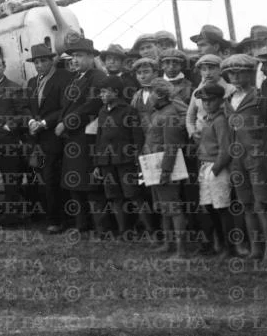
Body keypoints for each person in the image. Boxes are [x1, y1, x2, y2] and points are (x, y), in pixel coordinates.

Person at [222, 53, 267, 264]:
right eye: (231, 73)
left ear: (250, 73)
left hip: (257, 157)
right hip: (236, 158)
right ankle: (255, 249)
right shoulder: (227, 99)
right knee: (246, 204)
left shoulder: (260, 96)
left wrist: (263, 149)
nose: (235, 77)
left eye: (240, 72)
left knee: (262, 204)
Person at [56, 38, 108, 236]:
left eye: (79, 56)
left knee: (92, 186)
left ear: (90, 57)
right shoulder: (75, 78)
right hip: (73, 139)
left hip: (87, 138)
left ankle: (101, 227)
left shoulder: (97, 77)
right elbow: (65, 106)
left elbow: (92, 105)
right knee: (75, 185)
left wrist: (66, 123)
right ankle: (81, 225)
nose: (74, 60)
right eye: (73, 56)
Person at [90, 75, 148, 240]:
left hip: (126, 161)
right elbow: (99, 138)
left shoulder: (129, 111)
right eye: (100, 92)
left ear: (115, 92)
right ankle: (124, 232)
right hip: (107, 162)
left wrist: (138, 161)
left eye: (104, 92)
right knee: (114, 197)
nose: (101, 95)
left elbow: (137, 139)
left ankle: (150, 230)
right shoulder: (102, 111)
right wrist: (97, 163)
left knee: (134, 196)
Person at [26, 44, 74, 234]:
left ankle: (58, 220)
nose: (39, 65)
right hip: (37, 138)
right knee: (42, 178)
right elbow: (27, 106)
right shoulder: (31, 82)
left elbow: (64, 107)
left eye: (43, 61)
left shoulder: (63, 78)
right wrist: (30, 121)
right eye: (36, 62)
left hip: (54, 136)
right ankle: (48, 216)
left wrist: (45, 122)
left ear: (52, 60)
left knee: (53, 177)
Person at [141, 78, 190, 258]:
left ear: (160, 95)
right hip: (154, 164)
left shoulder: (169, 115)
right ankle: (168, 244)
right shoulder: (158, 113)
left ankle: (181, 250)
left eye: (151, 92)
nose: (149, 96)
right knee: (163, 207)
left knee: (174, 208)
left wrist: (166, 171)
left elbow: (172, 146)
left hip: (165, 165)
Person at [0, 53, 29, 226]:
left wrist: (9, 126)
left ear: (3, 67)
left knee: (11, 182)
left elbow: (23, 114)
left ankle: (11, 218)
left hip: (7, 142)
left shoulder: (14, 88)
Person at [193, 83, 233, 257]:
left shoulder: (220, 120)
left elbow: (226, 149)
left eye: (211, 100)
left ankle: (228, 247)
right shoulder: (207, 119)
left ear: (220, 101)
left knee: (222, 209)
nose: (207, 104)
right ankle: (216, 244)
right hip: (205, 166)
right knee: (209, 208)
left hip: (216, 167)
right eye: (204, 101)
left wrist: (215, 170)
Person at [186, 55, 233, 143]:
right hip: (201, 138)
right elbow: (190, 116)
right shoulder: (197, 92)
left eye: (211, 68)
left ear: (220, 70)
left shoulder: (231, 90)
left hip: (223, 139)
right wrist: (192, 132)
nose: (207, 73)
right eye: (203, 69)